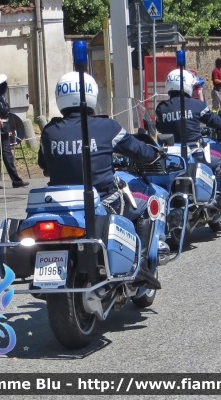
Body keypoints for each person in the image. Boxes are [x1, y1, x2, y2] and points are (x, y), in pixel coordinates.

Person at [38, 71, 161, 290]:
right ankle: (140, 264)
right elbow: (138, 150)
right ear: (92, 94)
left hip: (62, 204)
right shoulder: (107, 127)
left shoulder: (49, 131)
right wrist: (156, 154)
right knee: (149, 198)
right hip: (103, 200)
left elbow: (45, 165)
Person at [155, 68, 221, 214]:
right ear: (188, 85)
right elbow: (213, 120)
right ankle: (216, 198)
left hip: (170, 155)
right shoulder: (197, 104)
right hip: (193, 152)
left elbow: (159, 127)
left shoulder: (161, 108)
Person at [0, 74, 29, 189]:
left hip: (3, 129)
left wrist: (8, 129)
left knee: (8, 155)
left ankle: (16, 180)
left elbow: (6, 116)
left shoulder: (2, 98)